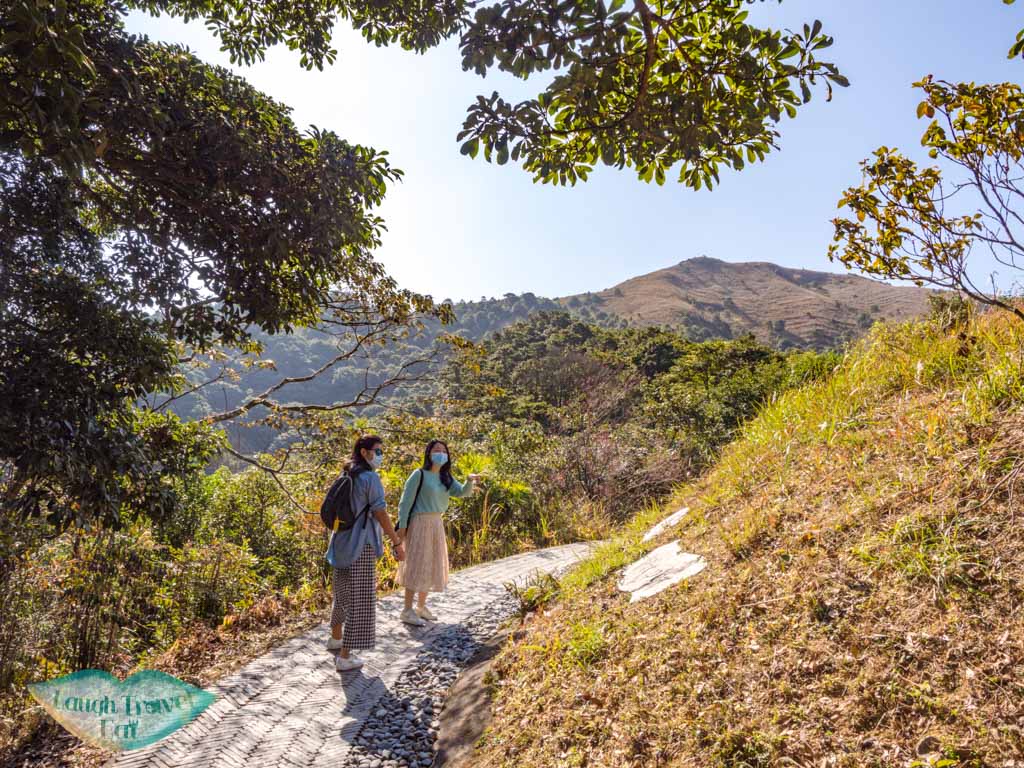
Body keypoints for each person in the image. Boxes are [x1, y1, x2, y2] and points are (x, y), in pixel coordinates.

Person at [325, 435, 405, 671]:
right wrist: (396, 541)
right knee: (361, 601)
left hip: (340, 542)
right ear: (363, 452)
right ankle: (345, 656)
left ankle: (335, 638)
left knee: (342, 594)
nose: (379, 455)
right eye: (376, 451)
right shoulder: (370, 478)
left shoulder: (346, 473)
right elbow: (380, 512)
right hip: (361, 545)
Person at [394, 440, 480, 626]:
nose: (440, 453)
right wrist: (402, 526)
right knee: (416, 564)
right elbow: (405, 502)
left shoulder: (445, 477)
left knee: (431, 563)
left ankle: (421, 607)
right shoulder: (419, 475)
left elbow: (462, 493)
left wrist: (470, 480)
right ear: (428, 453)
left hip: (436, 523)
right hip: (419, 522)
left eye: (443, 451)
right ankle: (407, 610)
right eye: (436, 450)